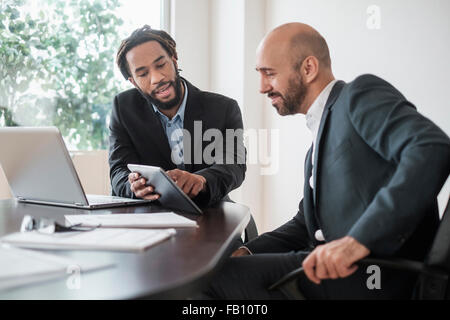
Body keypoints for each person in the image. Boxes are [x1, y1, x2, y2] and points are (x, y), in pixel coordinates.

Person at [202, 22, 450, 299]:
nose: (262, 87)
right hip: (330, 269)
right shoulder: (315, 147)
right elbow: (304, 224)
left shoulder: (358, 95)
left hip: (374, 275)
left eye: (269, 73)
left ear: (308, 68)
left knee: (210, 281)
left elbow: (430, 147)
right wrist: (248, 251)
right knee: (223, 271)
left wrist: (359, 240)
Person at [109, 25, 246, 206]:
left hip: (208, 213)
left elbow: (234, 165)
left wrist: (201, 180)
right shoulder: (123, 108)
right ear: (134, 82)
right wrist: (132, 185)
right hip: (148, 214)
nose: (157, 78)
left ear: (174, 60)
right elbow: (118, 170)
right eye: (143, 74)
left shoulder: (224, 108)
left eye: (161, 65)